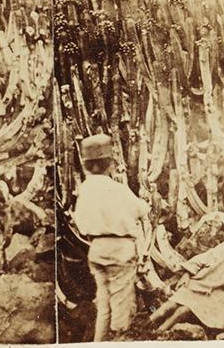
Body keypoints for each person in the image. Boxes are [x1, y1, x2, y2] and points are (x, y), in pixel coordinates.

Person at [71, 133, 151, 341]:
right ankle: (119, 340)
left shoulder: (86, 190)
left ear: (87, 165)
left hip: (97, 250)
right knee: (121, 309)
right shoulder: (116, 189)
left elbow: (79, 221)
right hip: (119, 252)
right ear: (109, 163)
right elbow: (141, 210)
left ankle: (99, 342)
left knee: (104, 307)